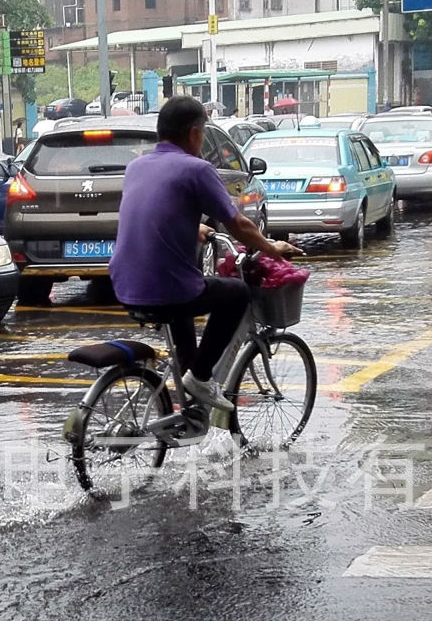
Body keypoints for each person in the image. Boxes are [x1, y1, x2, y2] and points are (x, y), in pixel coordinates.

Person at [108, 95, 299, 411]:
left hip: (124, 285)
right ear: (196, 134)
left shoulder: (137, 166)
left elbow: (155, 212)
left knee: (183, 307)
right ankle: (200, 377)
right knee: (236, 293)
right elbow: (238, 224)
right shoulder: (196, 169)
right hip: (167, 288)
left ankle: (190, 409)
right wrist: (271, 247)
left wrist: (194, 227)